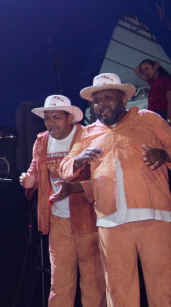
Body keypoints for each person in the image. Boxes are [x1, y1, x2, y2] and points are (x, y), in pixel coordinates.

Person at [60, 73, 171, 307]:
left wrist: (164, 154)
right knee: (119, 292)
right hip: (111, 222)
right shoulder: (87, 133)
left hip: (155, 217)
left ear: (124, 100)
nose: (102, 104)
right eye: (97, 100)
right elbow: (65, 167)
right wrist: (79, 160)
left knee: (165, 288)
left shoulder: (148, 119)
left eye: (108, 97)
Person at [18, 95, 105, 307]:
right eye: (47, 118)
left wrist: (77, 188)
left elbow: (103, 176)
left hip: (88, 219)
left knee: (93, 282)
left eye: (56, 117)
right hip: (57, 218)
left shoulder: (87, 136)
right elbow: (35, 170)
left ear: (69, 119)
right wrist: (30, 180)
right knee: (60, 283)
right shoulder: (42, 140)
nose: (50, 123)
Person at [134, 59, 171, 131]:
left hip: (163, 116)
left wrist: (169, 121)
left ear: (155, 67)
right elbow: (136, 70)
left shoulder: (165, 80)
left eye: (147, 68)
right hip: (153, 117)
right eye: (143, 71)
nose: (145, 72)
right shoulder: (151, 81)